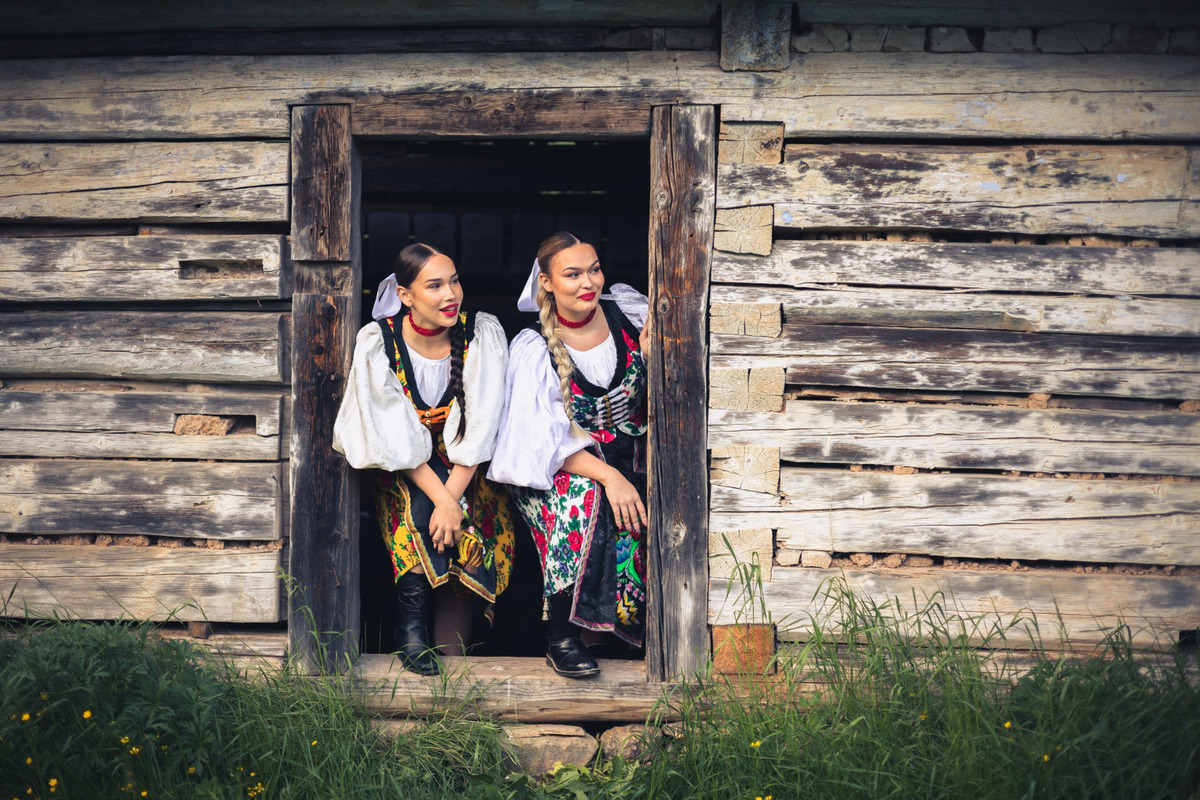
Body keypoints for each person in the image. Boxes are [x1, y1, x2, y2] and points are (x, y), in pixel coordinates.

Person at [333, 243, 515, 676]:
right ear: (405, 295)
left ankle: (453, 661)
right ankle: (411, 629)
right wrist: (442, 501)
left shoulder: (481, 334)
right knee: (416, 513)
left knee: (466, 534)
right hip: (404, 467)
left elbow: (483, 425)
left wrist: (454, 500)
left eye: (454, 281)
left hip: (469, 466)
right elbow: (392, 438)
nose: (450, 294)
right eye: (434, 285)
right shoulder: (378, 342)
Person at [488, 231, 649, 678]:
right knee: (586, 497)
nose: (588, 282)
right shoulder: (534, 347)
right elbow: (540, 442)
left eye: (594, 270)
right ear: (547, 282)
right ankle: (562, 636)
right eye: (573, 274)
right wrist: (610, 477)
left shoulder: (631, 315)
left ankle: (614, 639)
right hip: (557, 466)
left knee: (646, 505)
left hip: (629, 455)